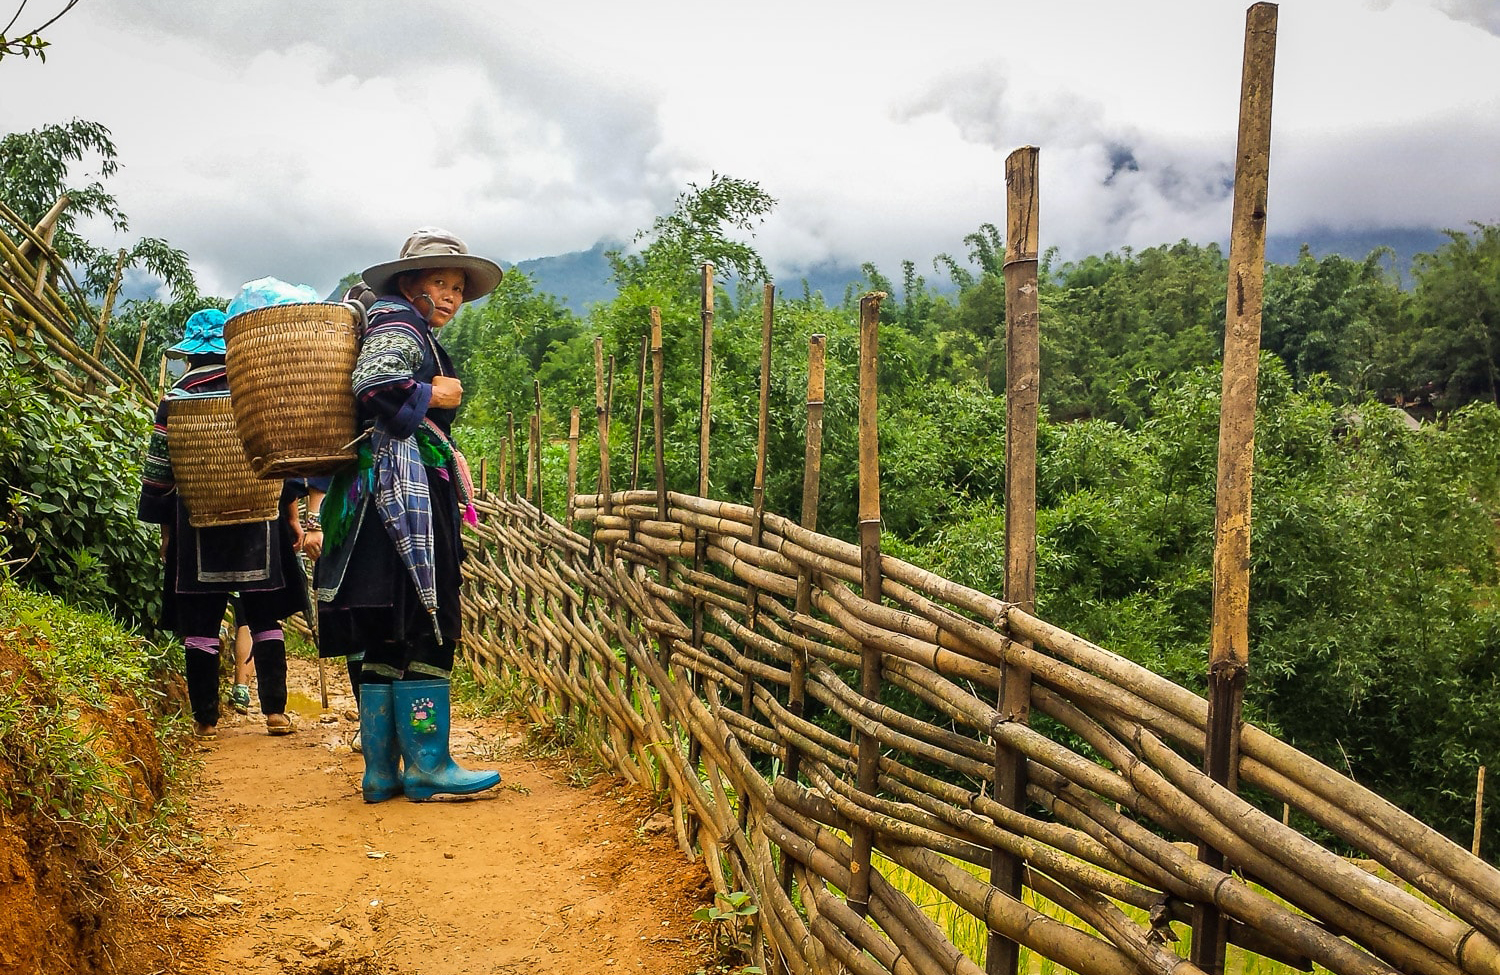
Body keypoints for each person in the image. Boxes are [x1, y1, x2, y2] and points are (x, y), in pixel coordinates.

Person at [317, 228, 502, 802]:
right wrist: (435, 394)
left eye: (456, 287)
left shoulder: (397, 320)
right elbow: (374, 385)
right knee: (426, 623)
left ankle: (381, 773)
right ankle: (428, 764)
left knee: (385, 635)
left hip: (376, 501)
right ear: (408, 283)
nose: (449, 296)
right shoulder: (400, 323)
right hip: (405, 498)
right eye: (438, 282)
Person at [138, 308, 308, 739]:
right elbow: (280, 460)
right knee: (265, 616)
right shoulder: (255, 393)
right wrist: (291, 515)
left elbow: (160, 472)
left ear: (191, 356)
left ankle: (206, 719)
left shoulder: (174, 399)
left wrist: (165, 528)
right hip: (259, 520)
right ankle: (275, 712)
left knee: (201, 622)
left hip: (196, 522)